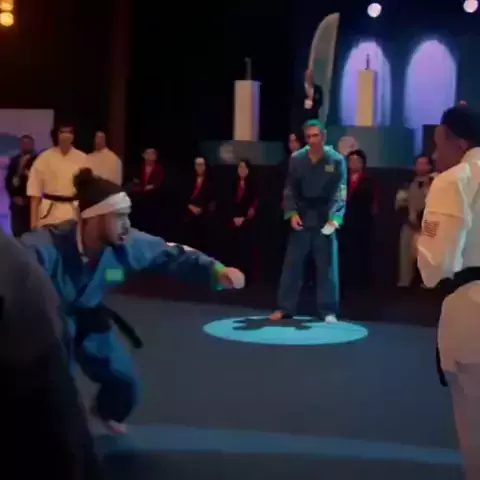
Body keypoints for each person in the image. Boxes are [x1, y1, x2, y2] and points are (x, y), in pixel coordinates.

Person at [20, 167, 244, 435]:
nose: (126, 224)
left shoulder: (129, 244)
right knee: (55, 388)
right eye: (118, 216)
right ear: (92, 218)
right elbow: (14, 263)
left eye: (127, 215)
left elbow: (173, 254)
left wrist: (217, 271)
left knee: (125, 384)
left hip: (89, 314)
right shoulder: (48, 245)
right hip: (49, 320)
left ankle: (105, 411)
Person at [0, 227, 103, 479]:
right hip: (55, 322)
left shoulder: (125, 250)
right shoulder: (42, 248)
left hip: (58, 334)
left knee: (123, 379)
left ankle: (108, 412)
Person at [416, 105, 480, 479]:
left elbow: (435, 266)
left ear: (458, 142)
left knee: (475, 432)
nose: (434, 154)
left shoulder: (453, 180)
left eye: (438, 144)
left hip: (472, 317)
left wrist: (420, 247)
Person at [269, 119, 347, 322]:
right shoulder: (297, 159)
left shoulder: (336, 160)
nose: (312, 140)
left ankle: (328, 310)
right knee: (292, 265)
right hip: (302, 216)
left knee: (327, 266)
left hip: (325, 217)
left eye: (315, 136)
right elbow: (290, 189)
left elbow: (340, 191)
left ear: (324, 136)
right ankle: (285, 307)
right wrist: (292, 213)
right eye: (308, 137)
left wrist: (335, 218)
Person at [27, 124, 87, 229]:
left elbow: (89, 192)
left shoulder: (83, 159)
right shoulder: (44, 158)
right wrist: (33, 224)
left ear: (73, 136)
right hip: (49, 213)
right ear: (56, 135)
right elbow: (35, 194)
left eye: (69, 132)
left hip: (73, 213)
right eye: (62, 132)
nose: (65, 136)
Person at [339, 149, 378, 289]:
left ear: (363, 163)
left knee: (361, 253)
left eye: (357, 161)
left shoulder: (369, 181)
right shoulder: (341, 180)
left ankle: (361, 283)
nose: (353, 163)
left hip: (362, 223)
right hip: (344, 223)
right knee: (344, 253)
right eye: (351, 160)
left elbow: (373, 203)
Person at [397, 154, 435, 287]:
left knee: (428, 254)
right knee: (405, 253)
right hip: (410, 223)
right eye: (419, 163)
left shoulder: (435, 183)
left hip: (428, 224)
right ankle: (405, 281)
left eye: (424, 164)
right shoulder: (407, 183)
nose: (421, 167)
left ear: (429, 166)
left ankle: (429, 282)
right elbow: (399, 202)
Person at [5, 134, 37, 236]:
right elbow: (8, 180)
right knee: (16, 231)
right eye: (23, 143)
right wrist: (13, 197)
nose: (25, 145)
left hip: (30, 204)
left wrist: (28, 199)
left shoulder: (38, 160)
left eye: (28, 143)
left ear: (33, 145)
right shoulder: (14, 160)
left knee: (30, 233)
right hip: (16, 204)